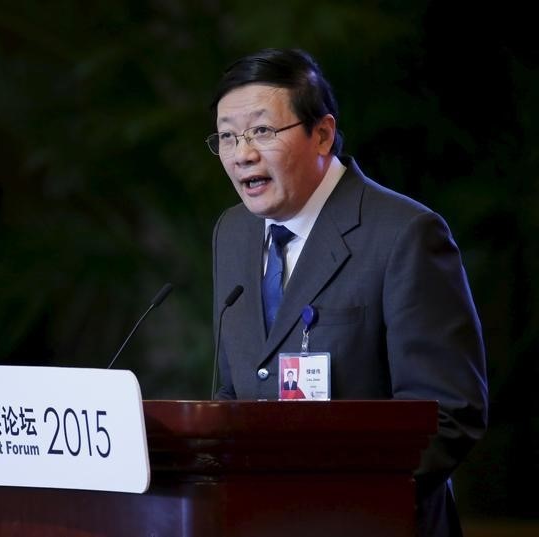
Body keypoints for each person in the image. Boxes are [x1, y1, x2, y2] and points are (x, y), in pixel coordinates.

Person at [208, 48, 488, 537]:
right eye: (227, 137)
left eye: (261, 131)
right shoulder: (233, 233)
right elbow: (233, 392)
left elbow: (449, 414)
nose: (241, 153)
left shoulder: (405, 234)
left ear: (323, 134)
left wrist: (327, 506)